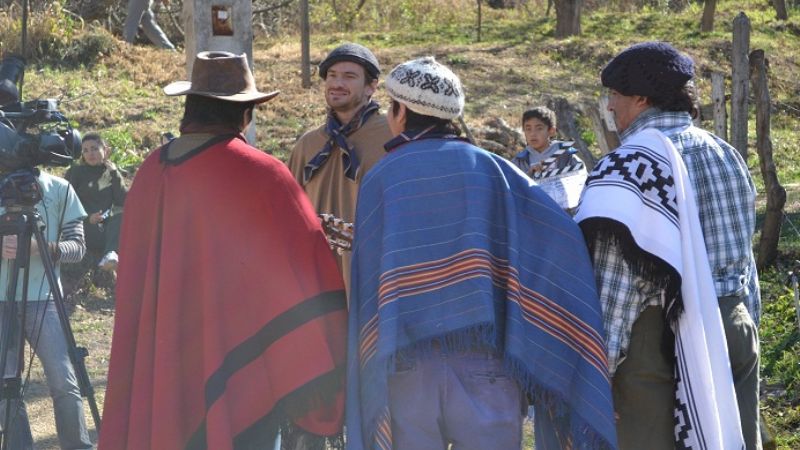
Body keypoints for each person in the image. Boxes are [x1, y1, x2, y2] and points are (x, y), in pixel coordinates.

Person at [345, 56, 617, 450]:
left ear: (400, 111)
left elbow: (371, 283)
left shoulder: (383, 179)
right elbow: (561, 237)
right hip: (487, 368)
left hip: (405, 370)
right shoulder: (496, 172)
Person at [99, 51, 348, 449]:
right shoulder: (261, 172)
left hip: (165, 364)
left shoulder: (150, 171)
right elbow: (307, 269)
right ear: (244, 114)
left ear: (189, 107)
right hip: (242, 373)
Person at [575, 41, 760, 450]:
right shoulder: (725, 153)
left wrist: (594, 376)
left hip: (658, 340)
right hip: (733, 323)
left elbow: (615, 288)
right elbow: (746, 261)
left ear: (641, 98)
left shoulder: (626, 166)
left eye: (614, 96)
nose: (609, 107)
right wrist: (747, 330)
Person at [0, 149, 92, 448]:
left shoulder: (60, 188)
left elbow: (78, 248)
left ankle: (77, 445)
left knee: (64, 382)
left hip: (45, 298)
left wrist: (41, 247)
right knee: (5, 387)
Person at [287, 42, 392, 295]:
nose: (337, 83)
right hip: (318, 282)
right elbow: (289, 214)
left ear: (371, 87)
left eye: (349, 76)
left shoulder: (390, 136)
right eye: (332, 76)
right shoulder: (308, 145)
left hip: (374, 280)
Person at [65, 133, 127, 272]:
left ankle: (110, 255)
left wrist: (115, 174)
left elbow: (122, 201)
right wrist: (87, 218)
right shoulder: (76, 172)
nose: (90, 154)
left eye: (94, 148)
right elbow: (66, 203)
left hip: (106, 227)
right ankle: (110, 253)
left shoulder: (111, 172)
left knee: (122, 213)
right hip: (83, 227)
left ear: (105, 150)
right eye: (85, 150)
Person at [512, 106, 587, 212]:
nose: (533, 133)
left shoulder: (566, 154)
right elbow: (512, 190)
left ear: (551, 131)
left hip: (566, 214)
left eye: (539, 128)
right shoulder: (519, 161)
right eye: (528, 129)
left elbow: (582, 179)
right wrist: (528, 175)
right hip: (534, 214)